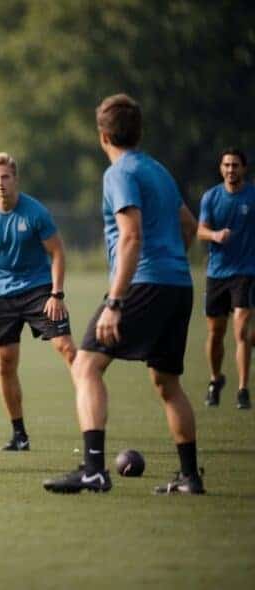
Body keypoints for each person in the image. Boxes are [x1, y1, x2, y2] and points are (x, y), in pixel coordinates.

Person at [43, 94, 203, 495]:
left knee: (85, 367)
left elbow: (131, 236)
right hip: (178, 285)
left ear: (102, 136)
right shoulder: (159, 171)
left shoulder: (119, 173)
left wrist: (115, 302)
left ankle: (94, 470)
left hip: (141, 285)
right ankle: (189, 476)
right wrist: (169, 263)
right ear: (139, 131)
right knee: (167, 383)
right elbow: (189, 225)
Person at [0, 152, 76, 451]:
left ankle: (90, 418)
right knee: (5, 363)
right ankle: (19, 435)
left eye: (6, 177)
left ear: (16, 179)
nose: (1, 183)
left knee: (67, 349)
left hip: (40, 289)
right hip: (3, 294)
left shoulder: (36, 212)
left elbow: (57, 253)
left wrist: (57, 293)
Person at [197, 148, 254, 410]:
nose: (231, 169)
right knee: (215, 333)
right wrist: (215, 236)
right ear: (221, 168)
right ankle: (215, 378)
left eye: (236, 165)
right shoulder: (211, 197)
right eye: (227, 165)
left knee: (241, 330)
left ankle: (243, 389)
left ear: (244, 168)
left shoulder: (252, 197)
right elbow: (201, 230)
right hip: (217, 273)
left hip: (245, 272)